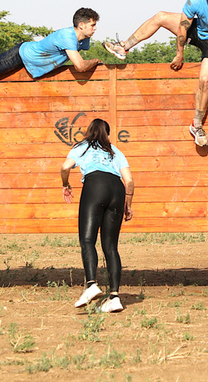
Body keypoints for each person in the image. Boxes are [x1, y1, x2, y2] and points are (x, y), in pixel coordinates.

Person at [103, 0, 208, 147]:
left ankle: (197, 125)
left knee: (205, 79)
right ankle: (123, 47)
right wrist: (180, 54)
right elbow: (183, 27)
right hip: (197, 31)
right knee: (161, 16)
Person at [62, 119, 133, 313]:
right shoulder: (114, 150)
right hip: (117, 190)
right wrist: (128, 204)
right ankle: (115, 297)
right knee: (111, 247)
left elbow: (65, 167)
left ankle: (92, 284)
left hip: (95, 186)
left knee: (87, 240)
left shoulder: (82, 147)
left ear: (89, 132)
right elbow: (129, 181)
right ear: (107, 134)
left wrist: (65, 185)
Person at [0, 8, 102, 81]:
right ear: (81, 25)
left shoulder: (84, 40)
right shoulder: (67, 36)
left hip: (31, 64)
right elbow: (80, 66)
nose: (95, 29)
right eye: (93, 25)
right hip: (22, 55)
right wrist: (96, 61)